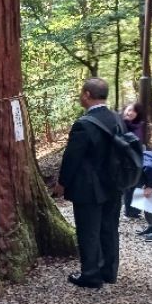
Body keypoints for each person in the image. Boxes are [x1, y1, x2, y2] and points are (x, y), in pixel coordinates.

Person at [54, 78, 123, 289]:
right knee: (109, 228)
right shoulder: (117, 118)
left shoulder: (84, 125)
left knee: (88, 231)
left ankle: (91, 274)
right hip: (115, 184)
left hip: (89, 188)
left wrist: (62, 183)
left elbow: (72, 158)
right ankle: (109, 271)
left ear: (86, 94)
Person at [120, 102, 146, 220]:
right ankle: (128, 211)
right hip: (125, 160)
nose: (129, 113)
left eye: (133, 111)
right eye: (128, 110)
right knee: (128, 186)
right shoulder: (120, 124)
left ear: (137, 114)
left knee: (138, 184)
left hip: (138, 157)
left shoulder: (139, 126)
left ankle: (136, 212)